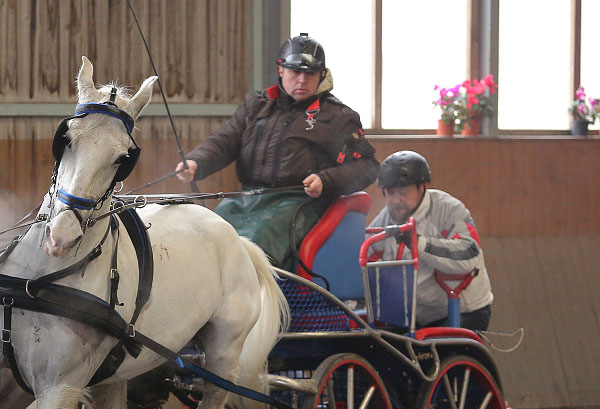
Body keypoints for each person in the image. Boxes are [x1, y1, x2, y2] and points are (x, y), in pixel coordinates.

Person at [174, 33, 378, 270]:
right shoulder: (257, 104)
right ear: (281, 70)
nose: (302, 80)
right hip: (246, 199)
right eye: (294, 72)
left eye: (310, 73)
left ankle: (257, 304)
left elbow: (368, 166)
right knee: (210, 230)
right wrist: (196, 162)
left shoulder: (338, 117)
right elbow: (225, 140)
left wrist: (326, 180)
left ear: (321, 75)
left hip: (299, 203)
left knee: (256, 241)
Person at [367, 150, 493, 330]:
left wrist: (420, 244)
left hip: (463, 311)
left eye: (403, 192)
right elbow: (366, 259)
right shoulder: (384, 219)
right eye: (390, 192)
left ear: (423, 186)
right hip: (415, 315)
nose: (395, 200)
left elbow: (469, 254)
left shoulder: (449, 209)